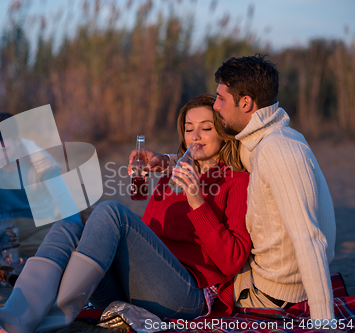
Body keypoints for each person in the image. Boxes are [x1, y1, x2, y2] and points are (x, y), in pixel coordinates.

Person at [0, 94, 251, 333]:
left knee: (110, 210)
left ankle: (52, 317)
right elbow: (149, 232)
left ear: (224, 133)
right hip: (139, 285)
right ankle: (14, 313)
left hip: (185, 295)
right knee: (67, 224)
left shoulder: (236, 180)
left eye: (206, 128)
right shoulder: (173, 173)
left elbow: (230, 262)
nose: (195, 136)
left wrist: (198, 200)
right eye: (189, 129)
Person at [142, 55, 336, 320]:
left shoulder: (278, 150)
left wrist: (324, 322)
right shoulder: (260, 141)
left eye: (222, 99)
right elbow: (216, 154)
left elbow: (309, 239)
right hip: (262, 280)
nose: (217, 105)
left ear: (245, 102)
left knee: (113, 218)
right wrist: (167, 161)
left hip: (267, 294)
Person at [0, 113, 82, 256]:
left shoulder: (42, 164)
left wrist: (76, 235)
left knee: (57, 235)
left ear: (17, 141)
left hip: (38, 225)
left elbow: (65, 201)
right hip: (3, 227)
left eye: (5, 150)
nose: (0, 156)